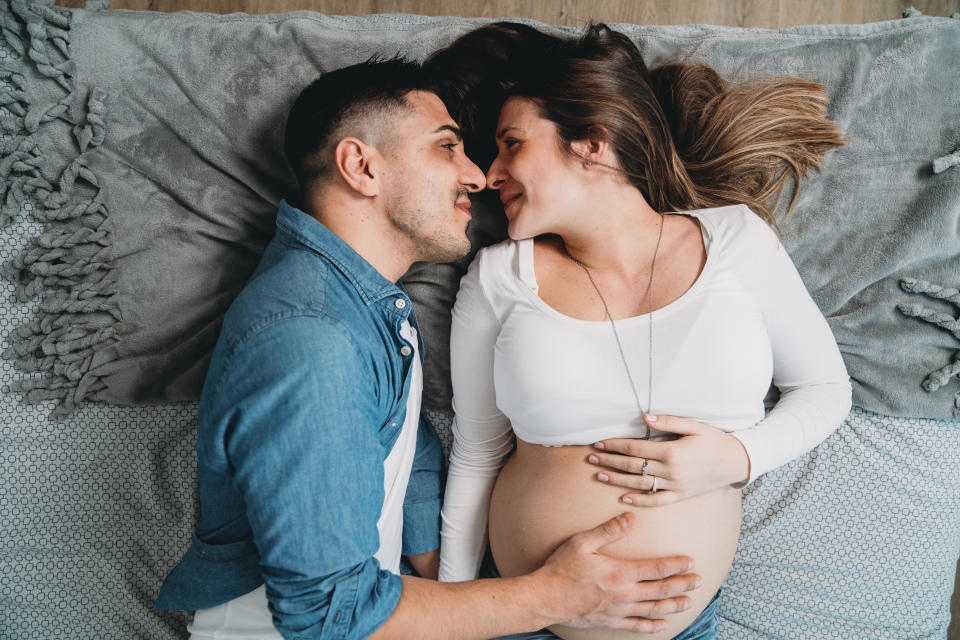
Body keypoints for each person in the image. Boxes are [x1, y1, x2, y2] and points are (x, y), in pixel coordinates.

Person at [154, 58, 704, 640]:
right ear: (361, 167)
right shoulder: (312, 340)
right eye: (448, 148)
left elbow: (399, 439)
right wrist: (552, 597)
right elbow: (325, 614)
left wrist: (441, 573)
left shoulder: (359, 303)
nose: (475, 177)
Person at [431, 23, 853, 640]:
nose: (491, 173)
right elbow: (477, 452)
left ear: (592, 144)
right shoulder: (499, 276)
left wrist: (737, 457)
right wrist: (453, 613)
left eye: (510, 144)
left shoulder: (733, 240)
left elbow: (824, 388)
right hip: (521, 619)